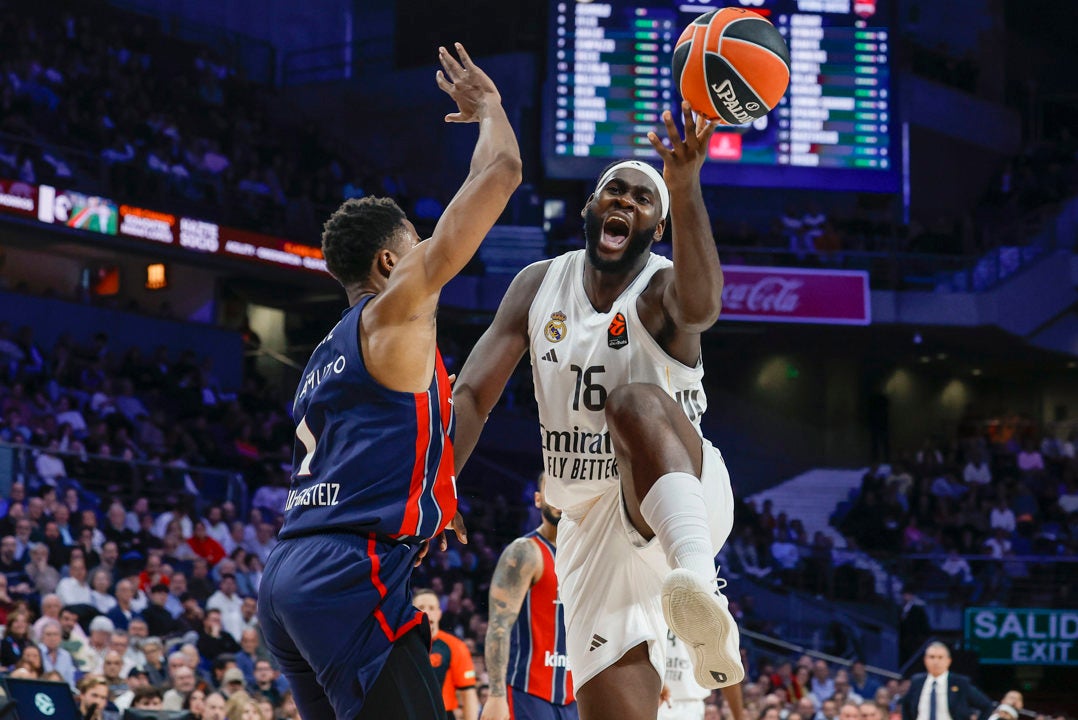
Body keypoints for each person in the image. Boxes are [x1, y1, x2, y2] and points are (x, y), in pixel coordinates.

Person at [256, 42, 521, 720]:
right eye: (415, 248)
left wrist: (436, 486)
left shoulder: (326, 354)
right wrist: (489, 108)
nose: (427, 258)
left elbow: (382, 440)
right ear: (388, 262)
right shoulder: (395, 309)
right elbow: (502, 174)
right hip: (348, 576)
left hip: (290, 577)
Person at [453, 101, 741, 720]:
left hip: (677, 493)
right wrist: (436, 485)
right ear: (590, 208)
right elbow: (472, 394)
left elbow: (703, 308)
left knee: (632, 399)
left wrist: (685, 187)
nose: (627, 202)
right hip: (586, 525)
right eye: (616, 190)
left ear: (657, 228)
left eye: (644, 200)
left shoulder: (663, 286)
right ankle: (686, 595)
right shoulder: (537, 285)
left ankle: (698, 581)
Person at [481, 474, 577, 720]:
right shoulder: (525, 552)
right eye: (550, 488)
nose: (557, 497)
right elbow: (498, 626)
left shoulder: (588, 559)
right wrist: (496, 695)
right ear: (537, 499)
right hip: (527, 692)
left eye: (564, 488)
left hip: (576, 695)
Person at [414, 588, 479, 720]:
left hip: (443, 715)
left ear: (439, 613)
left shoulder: (455, 646)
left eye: (432, 608)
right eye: (421, 607)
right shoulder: (399, 646)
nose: (426, 612)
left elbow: (468, 693)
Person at [900, 642, 994, 720]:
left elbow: (987, 706)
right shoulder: (917, 681)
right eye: (932, 657)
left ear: (948, 661)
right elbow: (906, 706)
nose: (936, 661)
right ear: (925, 660)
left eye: (940, 657)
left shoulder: (960, 683)